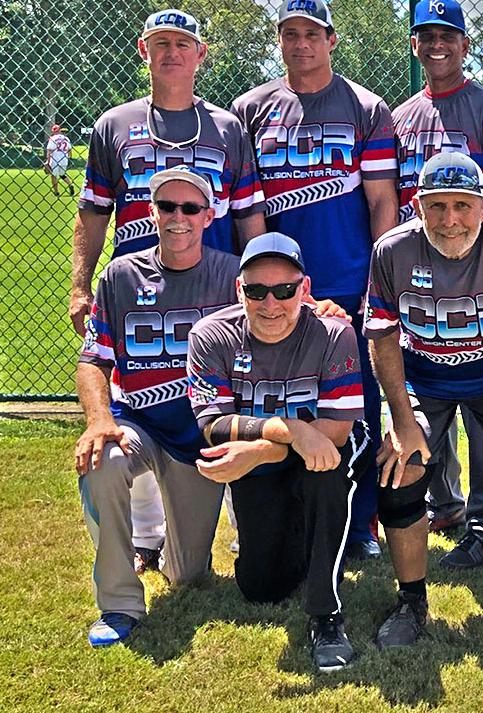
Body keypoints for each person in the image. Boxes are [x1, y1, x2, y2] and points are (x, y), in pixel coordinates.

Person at [70, 8, 266, 576]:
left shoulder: (227, 128)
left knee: (222, 399)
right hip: (137, 286)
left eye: (183, 43)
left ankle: (243, 531)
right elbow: (94, 211)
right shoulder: (115, 124)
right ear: (144, 50)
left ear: (200, 54)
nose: (172, 53)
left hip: (210, 285)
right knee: (137, 396)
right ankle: (145, 537)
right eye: (161, 43)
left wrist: (261, 283)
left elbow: (249, 216)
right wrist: (80, 286)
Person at [231, 0, 400, 562]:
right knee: (270, 403)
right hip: (275, 292)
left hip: (348, 282)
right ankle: (270, 518)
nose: (301, 44)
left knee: (356, 409)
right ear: (279, 40)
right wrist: (260, 283)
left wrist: (377, 281)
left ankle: (360, 524)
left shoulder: (366, 107)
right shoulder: (250, 108)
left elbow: (382, 201)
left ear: (331, 40)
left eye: (312, 34)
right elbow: (247, 206)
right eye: (290, 34)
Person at [364, 152, 483, 649]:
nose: (450, 219)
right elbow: (381, 334)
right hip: (424, 379)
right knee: (401, 470)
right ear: (417, 206)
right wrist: (401, 418)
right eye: (437, 205)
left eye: (463, 205)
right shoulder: (392, 250)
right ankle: (411, 601)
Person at [390, 0, 483, 560]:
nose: (437, 44)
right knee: (430, 395)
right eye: (427, 35)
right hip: (421, 270)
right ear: (415, 45)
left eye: (447, 35)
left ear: (465, 45)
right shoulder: (402, 116)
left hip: (479, 273)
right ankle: (442, 503)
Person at [186, 232, 369, 672]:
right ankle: (308, 541)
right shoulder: (210, 335)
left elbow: (335, 432)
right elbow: (213, 426)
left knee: (325, 473)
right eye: (257, 291)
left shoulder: (334, 332)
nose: (271, 304)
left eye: (285, 290)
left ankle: (326, 615)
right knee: (261, 588)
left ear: (305, 289)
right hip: (274, 450)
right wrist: (291, 432)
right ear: (239, 290)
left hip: (324, 446)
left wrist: (264, 450)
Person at [75, 167, 239, 647]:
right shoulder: (121, 276)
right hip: (141, 425)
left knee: (187, 575)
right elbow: (93, 359)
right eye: (167, 206)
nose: (178, 217)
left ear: (208, 216)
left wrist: (322, 310)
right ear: (151, 212)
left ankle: (171, 553)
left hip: (202, 438)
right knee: (102, 460)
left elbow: (284, 314)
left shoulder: (233, 274)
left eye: (190, 208)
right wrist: (99, 419)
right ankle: (120, 603)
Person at [44, 124, 76, 196]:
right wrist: (69, 157)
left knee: (53, 175)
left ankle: (56, 192)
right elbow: (69, 149)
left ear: (53, 131)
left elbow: (50, 150)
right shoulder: (66, 138)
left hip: (55, 159)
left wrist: (47, 161)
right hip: (64, 159)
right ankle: (70, 185)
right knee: (62, 175)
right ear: (60, 130)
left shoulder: (52, 138)